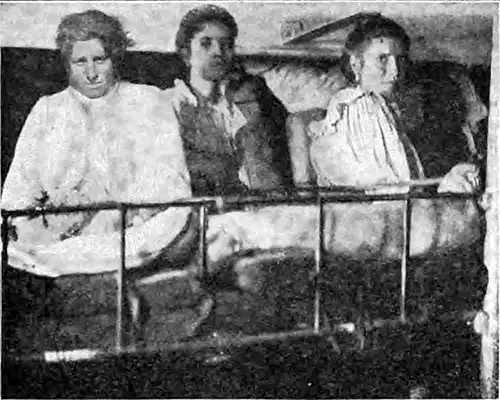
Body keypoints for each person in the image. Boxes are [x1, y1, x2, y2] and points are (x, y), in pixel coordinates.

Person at [1, 10, 196, 345]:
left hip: (134, 228)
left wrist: (114, 205)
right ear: (66, 63)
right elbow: (18, 190)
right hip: (57, 236)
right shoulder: (47, 110)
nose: (91, 73)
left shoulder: (147, 101)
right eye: (80, 62)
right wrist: (51, 213)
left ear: (115, 56)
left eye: (100, 59)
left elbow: (171, 180)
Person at [299, 16, 481, 192]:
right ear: (356, 64)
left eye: (399, 60)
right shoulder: (359, 105)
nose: (395, 72)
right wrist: (446, 184)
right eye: (382, 59)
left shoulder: (387, 107)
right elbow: (384, 189)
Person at [163, 4, 293, 196]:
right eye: (206, 43)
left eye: (226, 45)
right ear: (186, 54)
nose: (218, 52)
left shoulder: (251, 95)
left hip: (259, 208)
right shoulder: (169, 104)